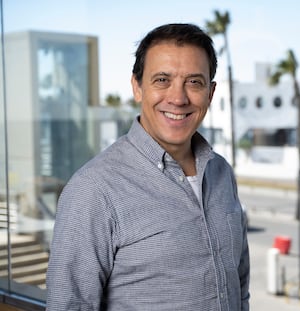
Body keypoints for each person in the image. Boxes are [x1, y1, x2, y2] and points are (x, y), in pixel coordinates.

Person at [46, 23, 250, 310]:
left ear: (210, 93)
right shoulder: (93, 191)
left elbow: (239, 286)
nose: (178, 99)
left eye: (194, 82)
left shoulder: (222, 172)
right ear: (137, 87)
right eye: (162, 80)